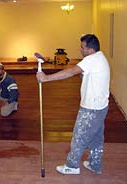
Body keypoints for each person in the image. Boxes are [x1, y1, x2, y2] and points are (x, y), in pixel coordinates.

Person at [36, 34, 110, 175]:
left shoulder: (92, 60)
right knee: (96, 138)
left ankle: (72, 166)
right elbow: (85, 74)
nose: (80, 50)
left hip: (91, 109)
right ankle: (95, 164)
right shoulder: (100, 58)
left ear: (90, 49)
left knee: (79, 136)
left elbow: (70, 72)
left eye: (82, 47)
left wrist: (46, 78)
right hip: (101, 107)